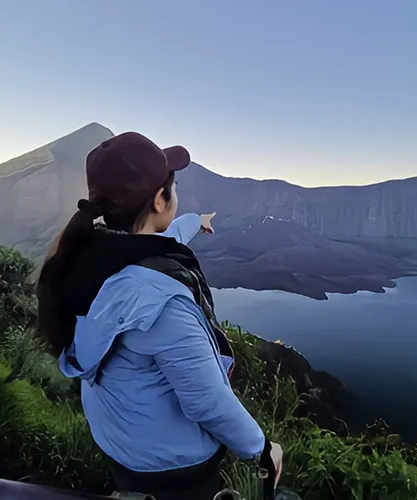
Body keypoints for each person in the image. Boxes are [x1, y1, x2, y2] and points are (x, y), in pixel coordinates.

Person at [36, 131, 282, 500]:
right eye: (174, 188)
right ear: (159, 199)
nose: (176, 197)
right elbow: (207, 402)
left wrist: (197, 221)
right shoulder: (161, 305)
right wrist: (263, 449)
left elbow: (161, 239)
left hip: (120, 443)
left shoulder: (89, 257)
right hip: (173, 468)